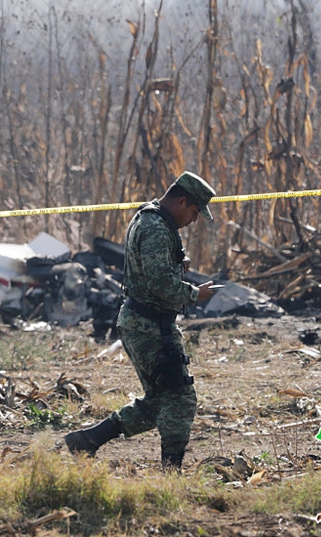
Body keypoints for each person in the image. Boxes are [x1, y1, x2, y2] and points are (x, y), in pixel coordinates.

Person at [63, 171, 220, 472]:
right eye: (194, 212)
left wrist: (176, 263)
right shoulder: (157, 227)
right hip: (149, 325)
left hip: (146, 322)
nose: (193, 220)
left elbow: (151, 269)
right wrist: (194, 294)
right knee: (180, 398)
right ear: (182, 201)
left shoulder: (151, 217)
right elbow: (160, 284)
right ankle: (171, 475)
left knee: (160, 400)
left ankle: (88, 440)